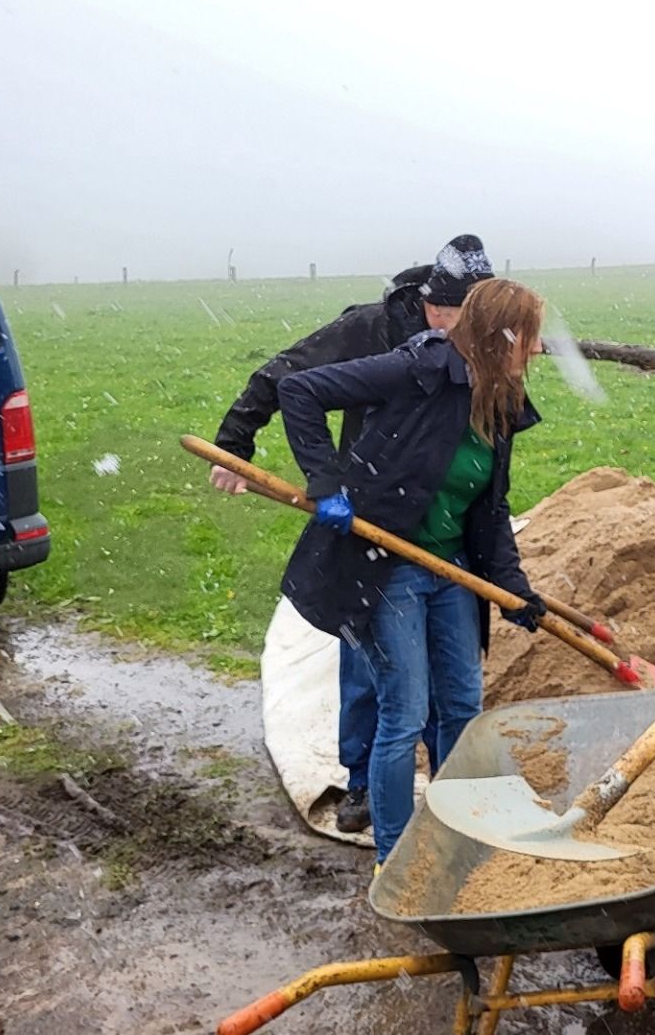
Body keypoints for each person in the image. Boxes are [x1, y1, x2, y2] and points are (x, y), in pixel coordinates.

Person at [208, 238, 485, 834]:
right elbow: (285, 376)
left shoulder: (473, 343)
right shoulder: (372, 331)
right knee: (370, 664)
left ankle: (450, 796)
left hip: (432, 526)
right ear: (437, 306)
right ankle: (362, 783)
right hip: (363, 519)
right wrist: (235, 446)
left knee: (447, 679)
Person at [276, 277, 549, 866]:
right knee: (405, 711)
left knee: (460, 707)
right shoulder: (418, 369)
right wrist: (326, 483)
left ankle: (457, 838)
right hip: (387, 562)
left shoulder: (499, 397)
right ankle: (395, 858)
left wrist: (512, 588)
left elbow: (490, 508)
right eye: (531, 336)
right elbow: (299, 391)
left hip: (449, 566)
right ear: (504, 335)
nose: (538, 349)